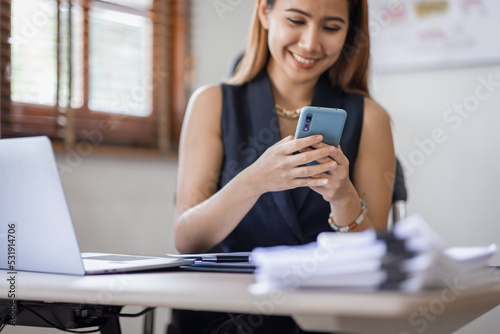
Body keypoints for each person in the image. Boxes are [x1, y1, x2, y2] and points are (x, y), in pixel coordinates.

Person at [169, 0, 395, 332]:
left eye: (331, 28)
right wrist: (254, 181)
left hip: (326, 314)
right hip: (224, 311)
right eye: (296, 21)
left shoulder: (371, 117)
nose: (310, 43)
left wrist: (344, 198)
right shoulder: (212, 102)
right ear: (264, 12)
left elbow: (374, 258)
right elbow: (186, 239)